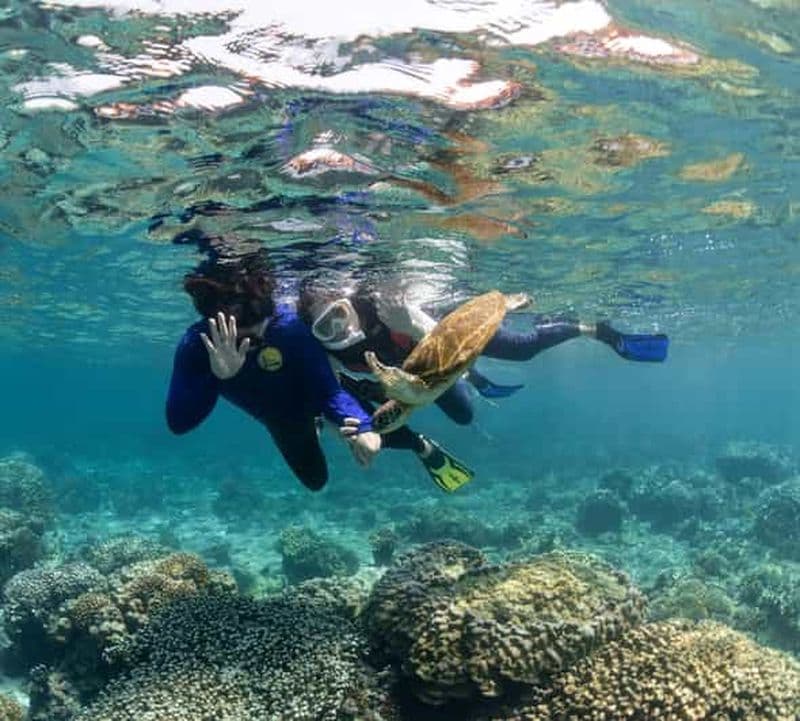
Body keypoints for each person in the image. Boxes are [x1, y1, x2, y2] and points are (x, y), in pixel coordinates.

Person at [298, 279, 669, 427]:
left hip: (444, 333)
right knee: (463, 416)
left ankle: (593, 328)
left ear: (348, 302)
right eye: (324, 328)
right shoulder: (332, 353)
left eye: (338, 315)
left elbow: (444, 338)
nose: (339, 329)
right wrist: (321, 420)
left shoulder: (383, 308)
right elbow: (324, 388)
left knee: (522, 350)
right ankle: (468, 376)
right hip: (426, 376)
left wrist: (408, 325)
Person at [165, 250, 382, 491]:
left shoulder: (288, 328)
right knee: (315, 481)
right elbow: (178, 423)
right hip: (282, 419)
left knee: (382, 434)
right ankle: (319, 422)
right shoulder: (198, 345)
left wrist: (363, 426)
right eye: (240, 339)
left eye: (257, 335)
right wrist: (216, 377)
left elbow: (328, 392)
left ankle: (333, 418)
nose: (251, 344)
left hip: (309, 390)